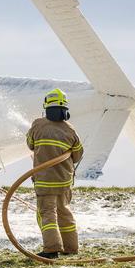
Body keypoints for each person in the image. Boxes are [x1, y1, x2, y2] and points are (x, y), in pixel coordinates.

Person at [26, 88, 84, 259]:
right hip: (64, 182)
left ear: (46, 107)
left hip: (44, 182)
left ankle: (51, 249)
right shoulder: (70, 129)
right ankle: (71, 247)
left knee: (48, 214)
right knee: (64, 213)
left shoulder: (38, 124)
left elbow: (30, 144)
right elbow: (78, 154)